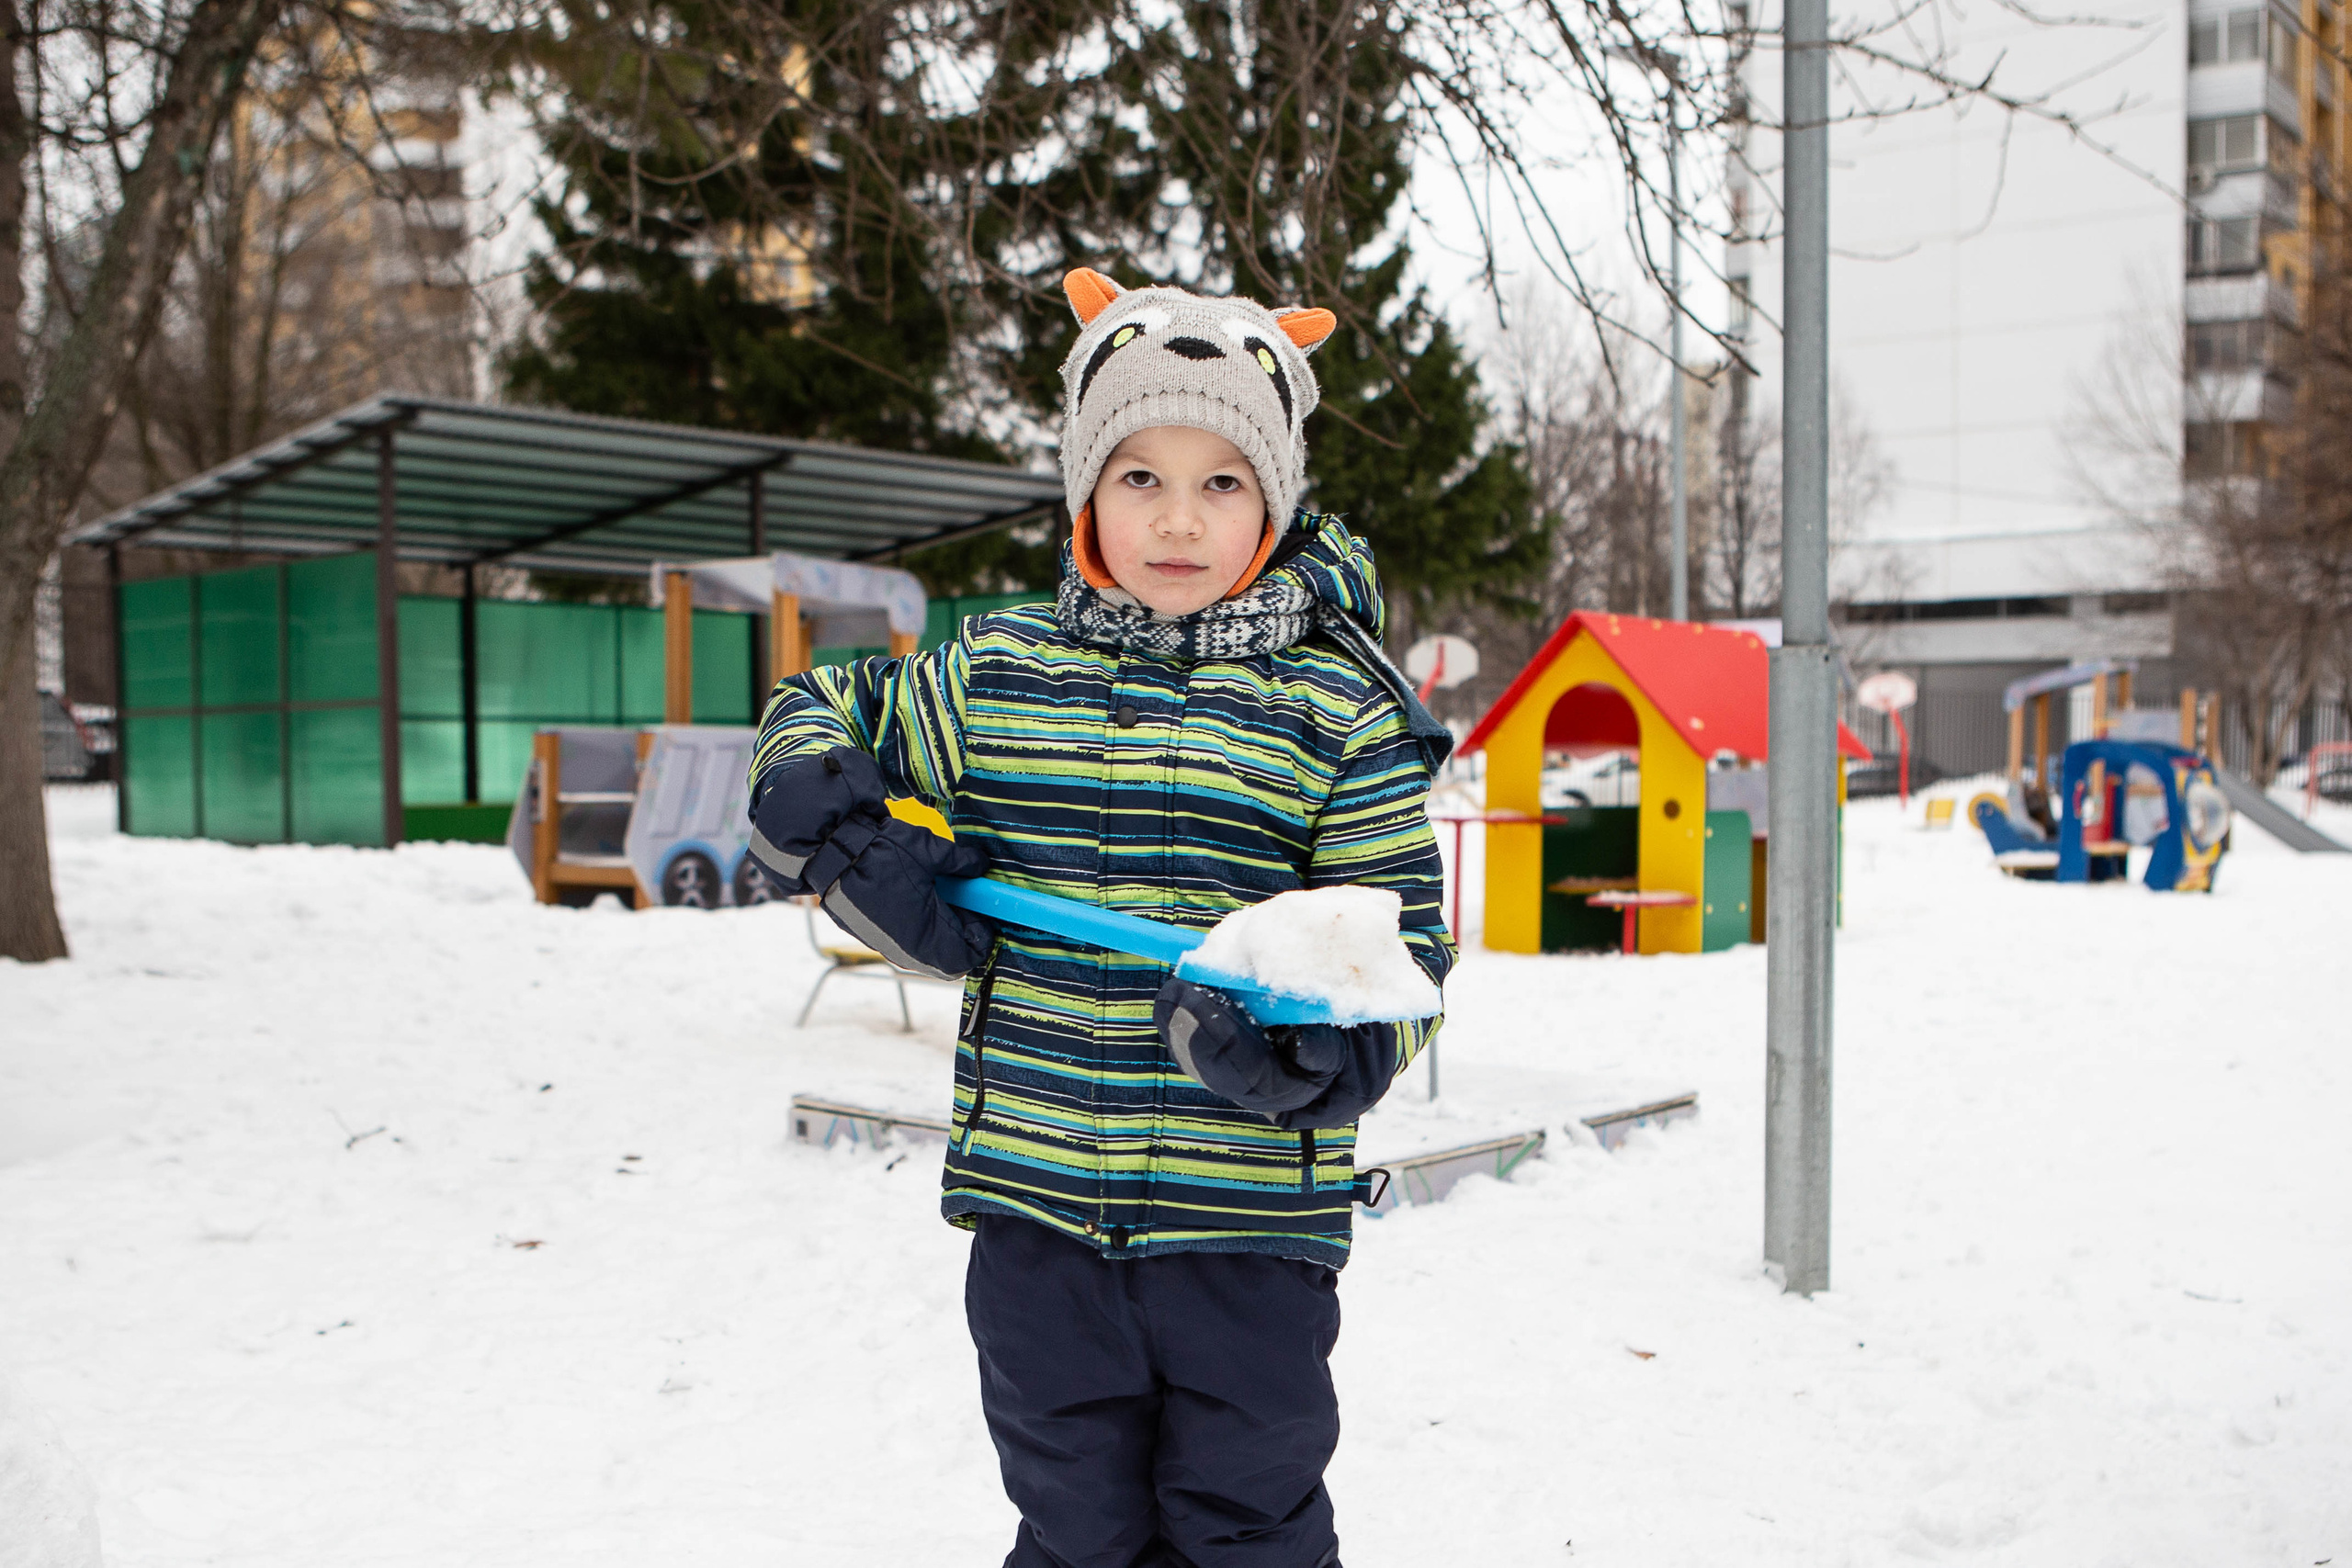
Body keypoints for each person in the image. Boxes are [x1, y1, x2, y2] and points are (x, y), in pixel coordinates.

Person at [745, 267, 1454, 1568]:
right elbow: (820, 706)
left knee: (1248, 1533)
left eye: (1221, 481)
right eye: (1139, 476)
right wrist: (829, 811)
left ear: (1274, 499)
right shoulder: (998, 674)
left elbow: (1396, 947)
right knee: (1073, 1533)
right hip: (1039, 1225)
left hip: (1244, 1235)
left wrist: (1309, 1057)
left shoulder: (1336, 713)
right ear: (1085, 486)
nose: (1178, 520)